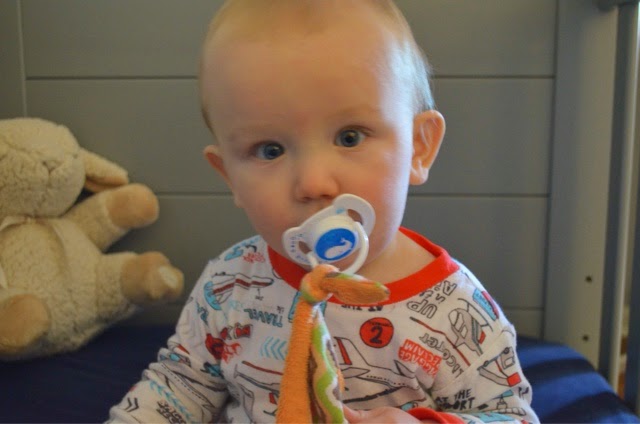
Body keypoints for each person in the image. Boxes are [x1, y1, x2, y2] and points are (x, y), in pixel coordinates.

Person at [108, 0, 539, 422]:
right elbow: (180, 384)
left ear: (418, 148)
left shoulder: (459, 312)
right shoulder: (229, 283)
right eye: (270, 150)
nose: (313, 183)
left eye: (350, 137)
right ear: (229, 176)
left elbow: (510, 416)